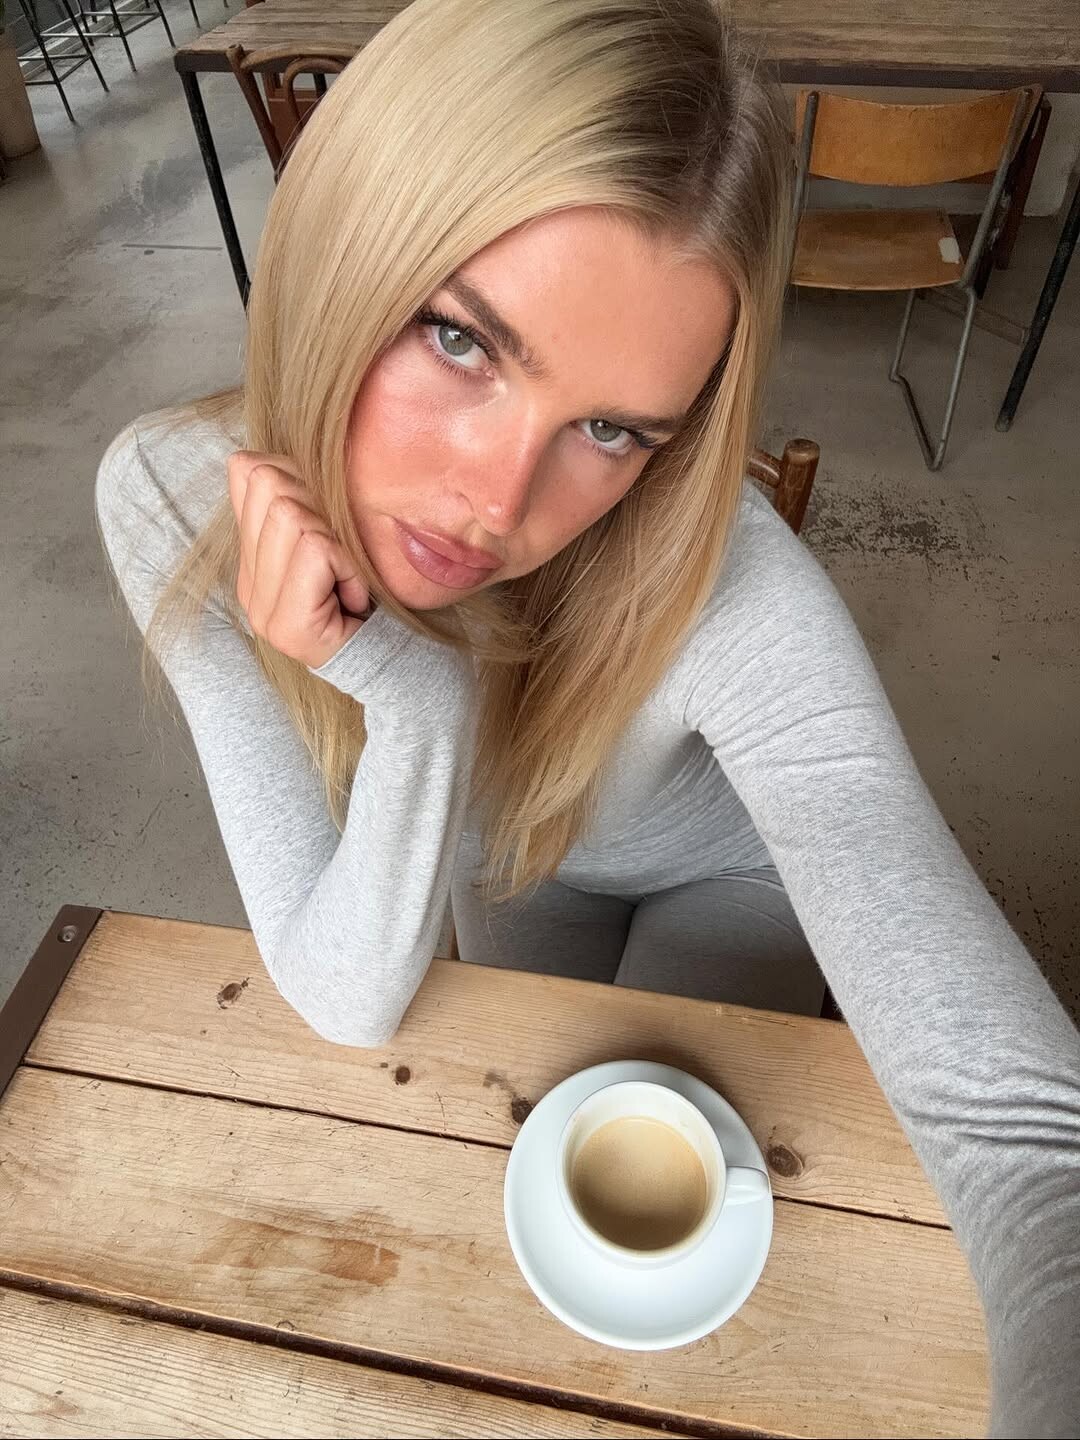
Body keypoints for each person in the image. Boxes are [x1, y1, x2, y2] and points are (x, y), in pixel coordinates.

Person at [95, 0, 1079, 1432]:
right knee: (536, 1173)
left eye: (614, 429)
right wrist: (420, 704)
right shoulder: (168, 497)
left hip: (724, 876)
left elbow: (1033, 1146)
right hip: (511, 864)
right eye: (459, 339)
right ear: (345, 240)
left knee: (685, 1211)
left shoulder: (735, 582)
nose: (495, 505)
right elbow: (343, 992)